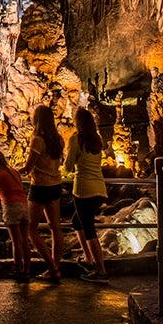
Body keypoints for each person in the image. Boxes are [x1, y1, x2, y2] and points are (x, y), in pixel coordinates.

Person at [20, 105, 64, 282]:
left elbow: (28, 167)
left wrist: (11, 171)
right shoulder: (59, 139)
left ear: (37, 120)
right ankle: (56, 267)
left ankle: (52, 266)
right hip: (56, 184)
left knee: (30, 229)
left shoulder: (38, 140)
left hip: (40, 186)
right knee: (55, 228)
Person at [65, 108, 109, 283]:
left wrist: (68, 160)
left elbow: (68, 166)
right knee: (77, 222)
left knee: (89, 230)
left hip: (83, 190)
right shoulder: (97, 139)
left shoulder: (76, 140)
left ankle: (101, 271)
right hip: (100, 189)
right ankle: (88, 258)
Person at [0, 150, 31, 281]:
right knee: (25, 241)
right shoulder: (15, 172)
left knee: (16, 242)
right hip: (24, 206)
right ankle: (27, 270)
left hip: (11, 207)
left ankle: (18, 270)